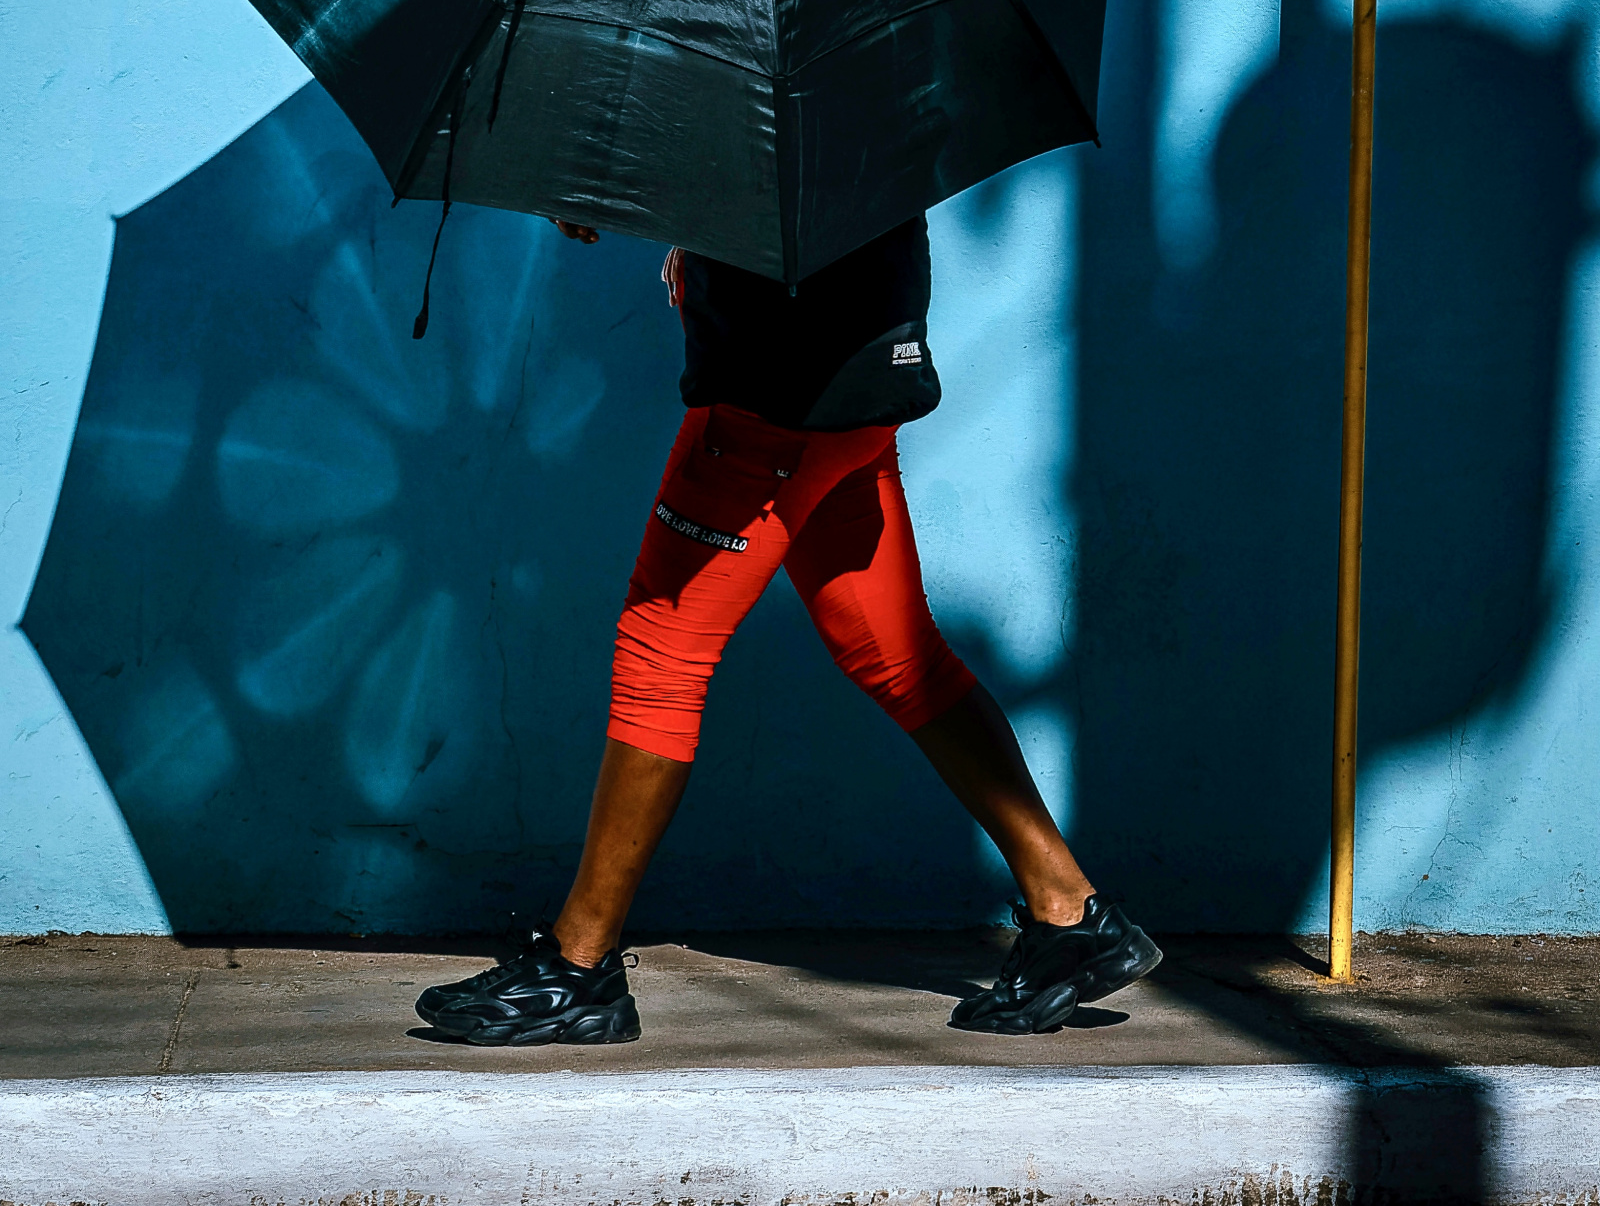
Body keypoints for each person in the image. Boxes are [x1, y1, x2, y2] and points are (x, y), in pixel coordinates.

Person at [416, 215, 1159, 1045]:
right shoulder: (860, 134)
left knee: (662, 652)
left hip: (775, 396)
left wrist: (638, 204)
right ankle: (1070, 912)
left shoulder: (777, 142)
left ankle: (578, 966)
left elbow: (754, 178)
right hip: (856, 377)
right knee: (895, 655)